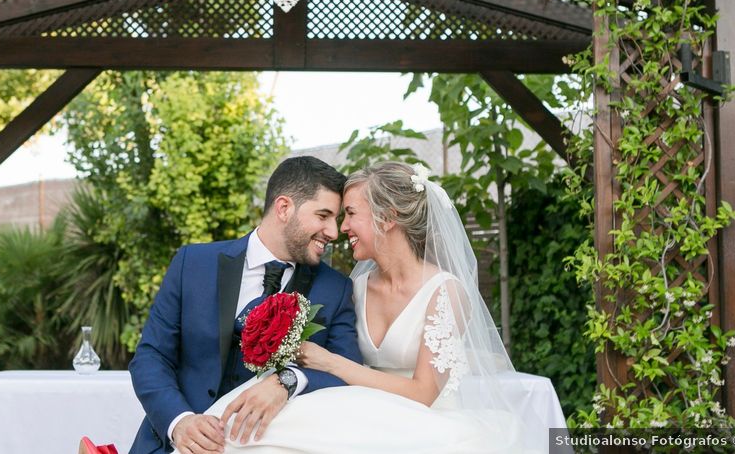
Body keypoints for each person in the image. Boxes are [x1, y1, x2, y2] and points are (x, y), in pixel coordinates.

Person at [198, 161, 536, 453]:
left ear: (387, 218)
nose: (342, 228)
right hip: (361, 410)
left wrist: (331, 362)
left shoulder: (445, 293)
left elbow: (423, 393)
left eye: (351, 214)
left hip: (425, 419)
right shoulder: (355, 288)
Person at [128, 156, 363, 454]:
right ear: (284, 208)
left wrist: (288, 381)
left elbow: (349, 373)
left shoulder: (335, 289)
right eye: (323, 215)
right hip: (171, 445)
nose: (333, 231)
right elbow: (151, 356)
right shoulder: (193, 264)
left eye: (336, 219)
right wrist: (180, 422)